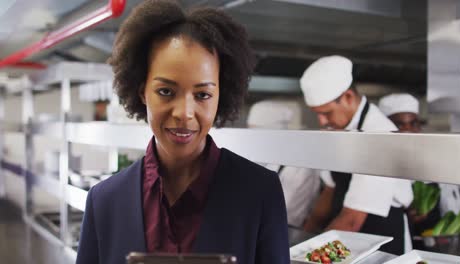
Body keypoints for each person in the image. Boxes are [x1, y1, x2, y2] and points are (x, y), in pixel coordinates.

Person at [76, 1, 289, 264]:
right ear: (142, 91)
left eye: (202, 95)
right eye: (166, 91)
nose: (184, 113)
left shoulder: (259, 193)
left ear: (220, 95)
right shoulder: (104, 201)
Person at [300, 55, 413, 255]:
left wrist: (309, 256)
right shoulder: (336, 129)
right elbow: (330, 190)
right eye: (316, 114)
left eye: (326, 113)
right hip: (342, 234)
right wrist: (303, 236)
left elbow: (352, 220)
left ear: (348, 97)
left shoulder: (378, 135)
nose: (322, 122)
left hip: (380, 236)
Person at [379, 93, 460, 219]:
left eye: (413, 123)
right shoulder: (378, 163)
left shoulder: (436, 155)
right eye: (399, 124)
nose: (408, 130)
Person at [247, 100, 322, 228]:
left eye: (256, 131)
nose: (251, 138)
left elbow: (287, 213)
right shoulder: (265, 157)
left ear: (276, 131)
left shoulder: (299, 165)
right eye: (250, 130)